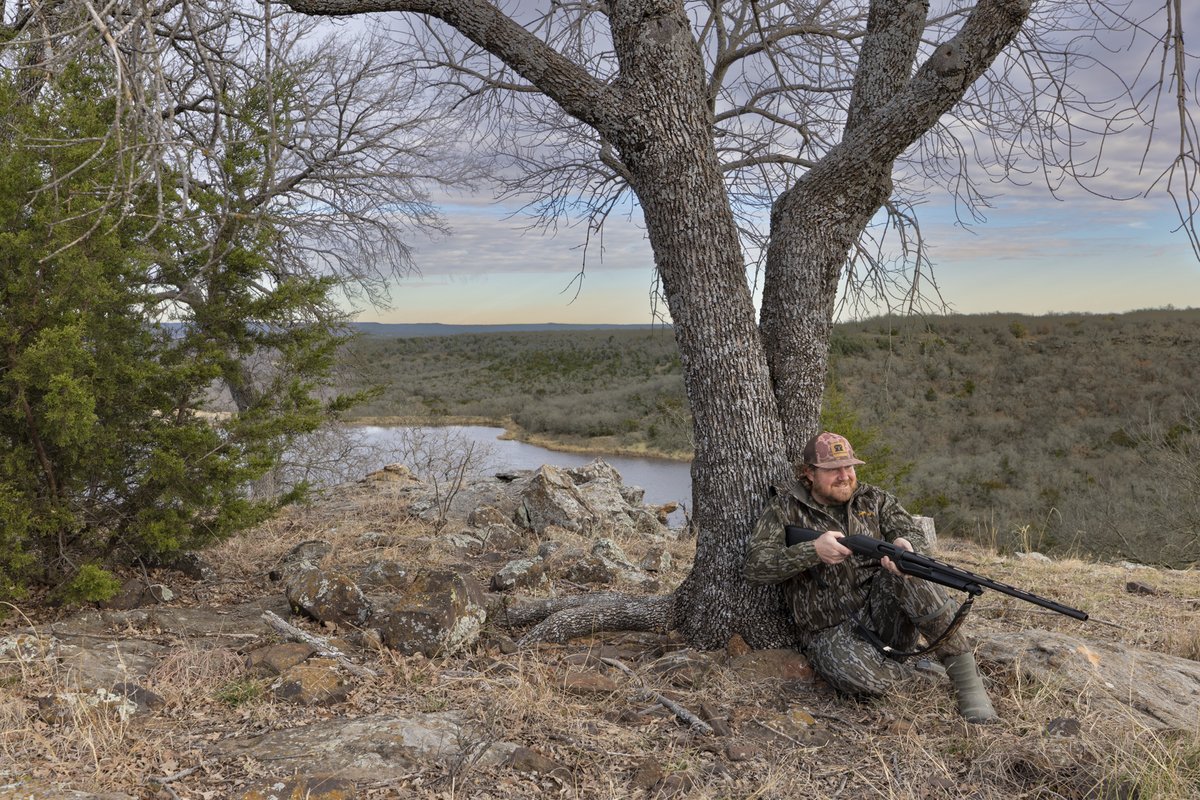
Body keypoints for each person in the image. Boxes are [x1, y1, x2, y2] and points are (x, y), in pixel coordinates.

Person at [743, 431, 997, 723]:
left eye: (849, 467)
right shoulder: (784, 508)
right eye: (832, 470)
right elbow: (755, 567)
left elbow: (911, 533)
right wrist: (811, 551)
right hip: (829, 631)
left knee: (912, 573)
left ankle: (969, 687)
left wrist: (909, 546)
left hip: (884, 614)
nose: (844, 476)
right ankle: (922, 673)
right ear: (809, 473)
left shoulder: (875, 499)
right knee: (860, 681)